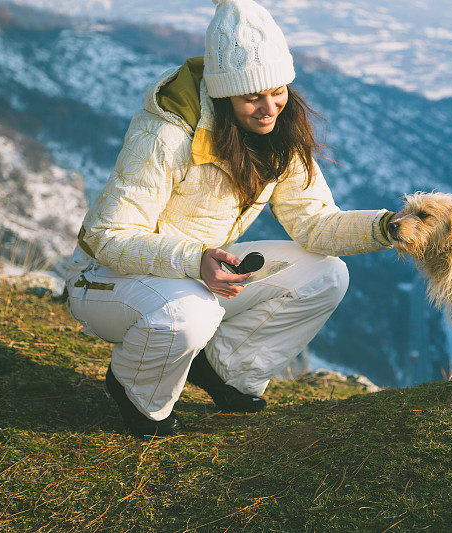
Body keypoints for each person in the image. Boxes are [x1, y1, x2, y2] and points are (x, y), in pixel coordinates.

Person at [64, 0, 395, 437]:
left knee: (327, 274)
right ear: (222, 94)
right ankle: (137, 392)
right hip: (108, 278)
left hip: (198, 269)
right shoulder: (166, 133)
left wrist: (389, 226)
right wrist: (193, 260)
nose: (269, 107)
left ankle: (224, 370)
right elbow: (108, 235)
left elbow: (314, 224)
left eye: (278, 91)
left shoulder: (281, 136)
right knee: (190, 311)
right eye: (251, 96)